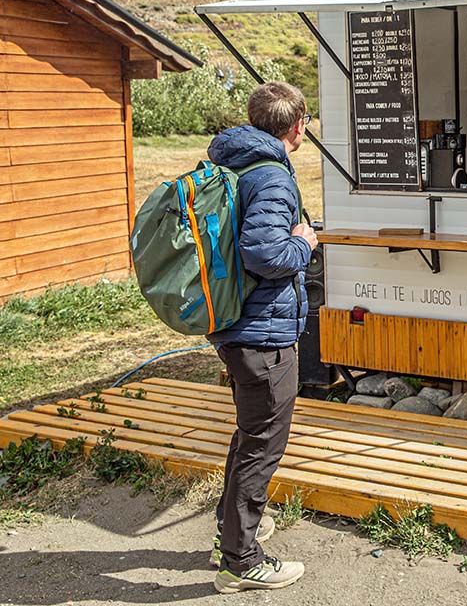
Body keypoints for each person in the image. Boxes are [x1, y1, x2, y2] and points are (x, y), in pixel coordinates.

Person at [205, 81, 318, 594]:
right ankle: (241, 560)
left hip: (234, 324)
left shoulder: (233, 162)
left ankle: (230, 534)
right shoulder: (272, 174)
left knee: (249, 435)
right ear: (298, 126)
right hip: (262, 332)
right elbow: (265, 254)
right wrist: (304, 244)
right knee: (262, 445)